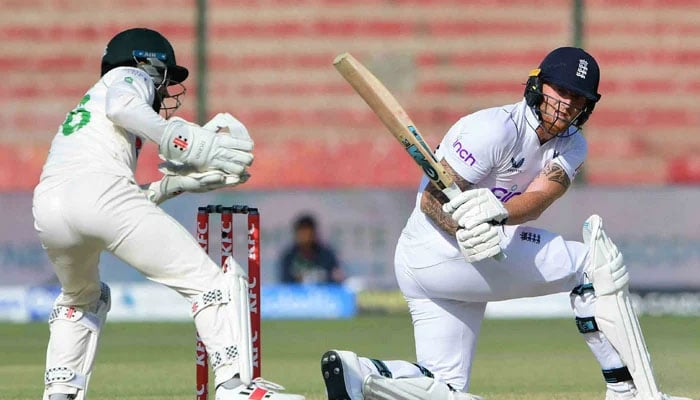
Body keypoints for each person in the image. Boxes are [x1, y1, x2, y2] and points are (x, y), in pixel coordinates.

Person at [320, 47, 691, 400]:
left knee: (445, 386)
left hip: (451, 266)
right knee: (591, 264)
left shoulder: (573, 145)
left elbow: (538, 200)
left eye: (577, 98)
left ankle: (357, 372)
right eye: (560, 90)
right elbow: (432, 200)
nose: (566, 104)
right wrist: (463, 229)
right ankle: (630, 391)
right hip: (437, 251)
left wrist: (497, 214)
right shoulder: (492, 129)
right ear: (537, 85)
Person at [32, 27, 303, 400]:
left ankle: (59, 393)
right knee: (210, 281)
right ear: (148, 63)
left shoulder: (86, 108)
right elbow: (122, 111)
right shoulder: (128, 76)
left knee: (81, 298)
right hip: (100, 196)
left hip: (49, 209)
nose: (165, 88)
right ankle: (236, 387)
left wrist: (175, 185)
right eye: (166, 76)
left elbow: (95, 195)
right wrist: (189, 143)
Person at [279, 213, 344, 284]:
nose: (305, 237)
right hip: (296, 295)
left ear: (314, 233)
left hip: (322, 294)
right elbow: (285, 282)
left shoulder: (327, 255)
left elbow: (334, 279)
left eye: (308, 233)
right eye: (302, 233)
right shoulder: (289, 256)